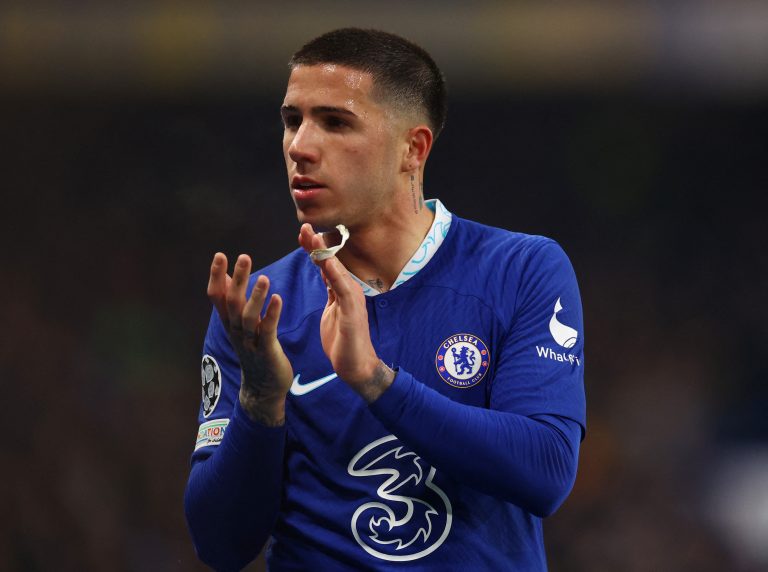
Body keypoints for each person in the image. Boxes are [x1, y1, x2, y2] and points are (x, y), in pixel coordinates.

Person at [185, 28, 586, 571]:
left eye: (335, 122)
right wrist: (260, 401)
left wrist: (376, 382)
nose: (300, 145)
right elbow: (220, 545)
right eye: (291, 120)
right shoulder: (261, 308)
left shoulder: (521, 269)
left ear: (412, 149)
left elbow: (546, 471)